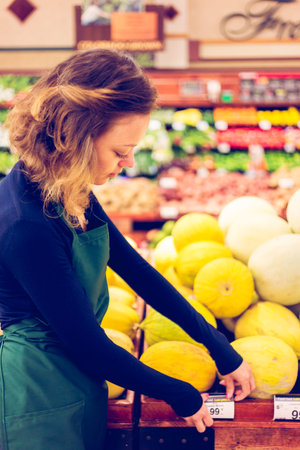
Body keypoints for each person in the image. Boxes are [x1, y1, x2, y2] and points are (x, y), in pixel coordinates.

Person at [0, 49, 255, 450]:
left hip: (80, 378)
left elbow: (137, 271)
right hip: (37, 390)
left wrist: (218, 347)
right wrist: (179, 392)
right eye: (120, 152)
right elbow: (86, 343)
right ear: (73, 138)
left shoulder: (67, 185)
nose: (128, 162)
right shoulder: (25, 223)